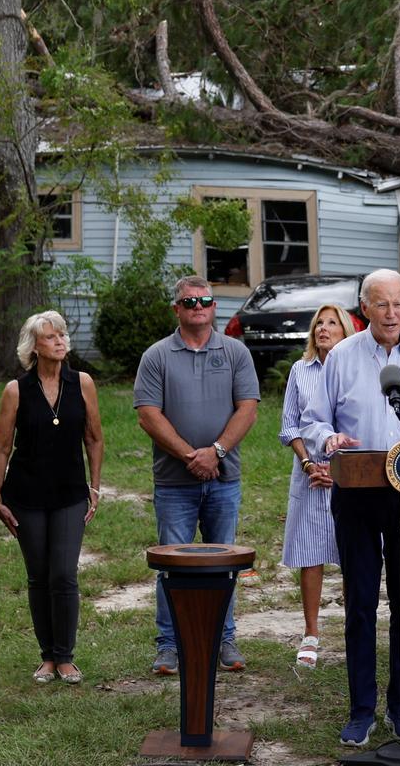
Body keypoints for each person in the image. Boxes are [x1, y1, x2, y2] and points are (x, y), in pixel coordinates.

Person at [301, 268, 400, 747]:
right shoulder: (342, 358)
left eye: (399, 303)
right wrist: (328, 437)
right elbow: (314, 420)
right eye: (382, 304)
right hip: (355, 491)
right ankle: (361, 709)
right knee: (361, 602)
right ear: (364, 308)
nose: (392, 313)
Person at [134, 276, 261, 676]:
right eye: (189, 302)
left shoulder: (236, 352)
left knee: (224, 563)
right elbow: (148, 415)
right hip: (175, 483)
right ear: (177, 309)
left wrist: (217, 451)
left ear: (214, 306)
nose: (198, 307)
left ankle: (223, 638)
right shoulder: (156, 356)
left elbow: (248, 409)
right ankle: (169, 645)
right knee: (173, 565)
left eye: (205, 300)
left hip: (224, 480)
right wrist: (191, 456)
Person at [0, 311, 104, 685]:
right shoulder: (15, 390)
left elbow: (94, 437)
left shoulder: (82, 383)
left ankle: (66, 656)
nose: (60, 341)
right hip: (26, 494)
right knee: (39, 576)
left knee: (64, 574)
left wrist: (96, 485)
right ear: (33, 347)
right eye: (51, 337)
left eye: (62, 335)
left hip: (70, 492)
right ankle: (47, 658)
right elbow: (2, 447)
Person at [278, 303, 355, 668]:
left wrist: (338, 470)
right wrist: (310, 464)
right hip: (309, 475)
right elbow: (290, 426)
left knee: (353, 555)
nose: (324, 328)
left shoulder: (358, 369)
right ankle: (310, 633)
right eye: (319, 323)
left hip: (351, 477)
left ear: (346, 330)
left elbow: (360, 425)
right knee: (311, 555)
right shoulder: (300, 370)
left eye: (332, 323)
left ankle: (356, 628)